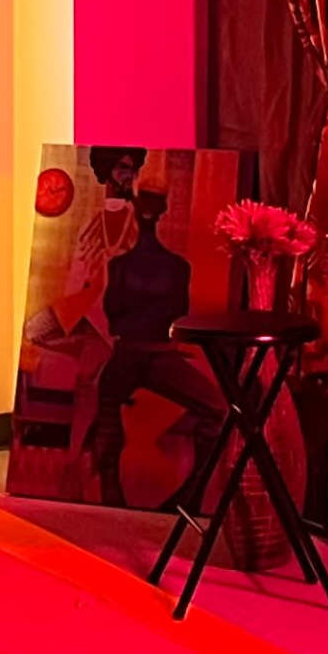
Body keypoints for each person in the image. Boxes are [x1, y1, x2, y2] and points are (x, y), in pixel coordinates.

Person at [82, 188, 228, 507]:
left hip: (143, 353)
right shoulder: (172, 268)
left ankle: (178, 496)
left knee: (217, 409)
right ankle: (126, 493)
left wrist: (138, 320)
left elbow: (115, 317)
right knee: (107, 404)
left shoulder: (134, 267)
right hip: (149, 353)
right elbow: (176, 315)